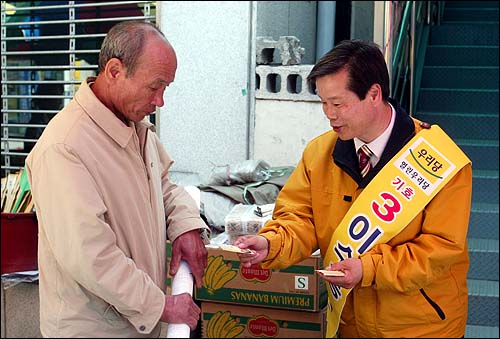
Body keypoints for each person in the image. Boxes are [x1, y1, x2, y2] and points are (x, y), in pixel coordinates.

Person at [234, 39, 472, 338]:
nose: (329, 114)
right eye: (323, 103)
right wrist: (272, 243)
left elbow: (440, 249)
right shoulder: (319, 153)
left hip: (422, 327)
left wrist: (368, 269)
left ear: (374, 93)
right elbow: (300, 219)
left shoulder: (438, 159)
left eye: (338, 103)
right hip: (351, 324)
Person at [25, 21, 209, 338]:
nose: (161, 101)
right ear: (114, 71)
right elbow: (92, 256)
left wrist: (186, 226)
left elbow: (164, 187)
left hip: (134, 324)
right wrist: (161, 305)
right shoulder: (63, 148)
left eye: (167, 88)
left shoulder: (135, 125)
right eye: (154, 87)